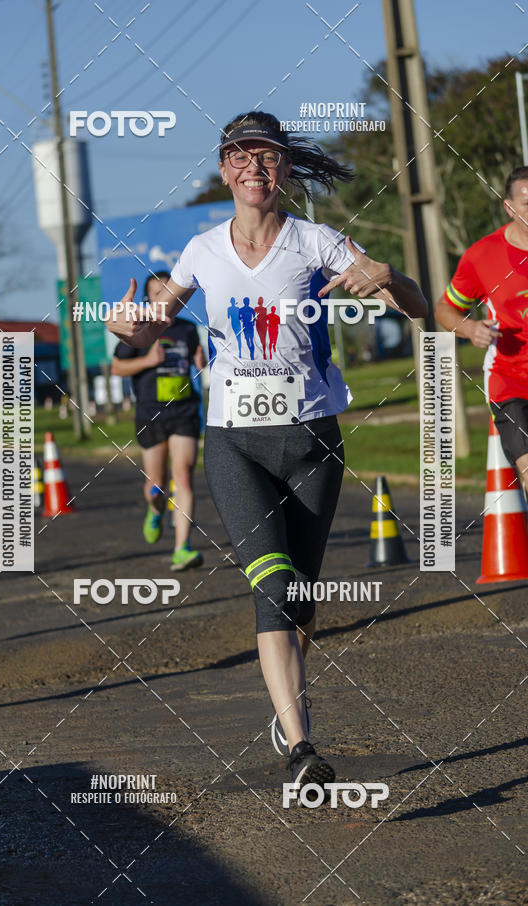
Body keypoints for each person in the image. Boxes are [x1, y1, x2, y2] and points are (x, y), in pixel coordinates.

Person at [108, 112, 426, 793]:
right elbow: (152, 326)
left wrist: (385, 275)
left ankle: (289, 705)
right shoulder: (200, 251)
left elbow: (419, 306)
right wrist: (128, 329)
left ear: (284, 171)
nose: (257, 168)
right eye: (243, 157)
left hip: (313, 440)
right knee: (274, 589)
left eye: (269, 158)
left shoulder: (316, 242)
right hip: (235, 443)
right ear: (226, 169)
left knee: (302, 601)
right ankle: (301, 741)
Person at [436, 166, 528, 496]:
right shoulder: (483, 256)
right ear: (510, 207)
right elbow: (444, 309)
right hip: (512, 379)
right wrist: (470, 328)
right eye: (527, 203)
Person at [111, 270, 206, 571]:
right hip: (150, 413)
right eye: (156, 292)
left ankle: (182, 548)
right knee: (157, 484)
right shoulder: (138, 330)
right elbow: (117, 368)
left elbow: (196, 359)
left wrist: (201, 361)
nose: (163, 296)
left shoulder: (188, 330)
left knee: (184, 476)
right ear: (148, 299)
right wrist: (148, 361)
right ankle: (155, 511)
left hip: (184, 410)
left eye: (168, 290)